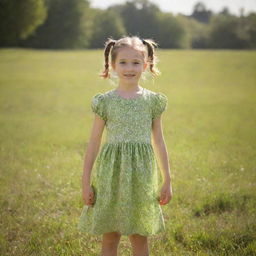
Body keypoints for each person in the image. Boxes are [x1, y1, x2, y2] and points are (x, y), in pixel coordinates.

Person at [77, 36, 173, 256]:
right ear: (112, 65)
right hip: (111, 176)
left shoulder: (152, 101)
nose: (130, 68)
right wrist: (85, 182)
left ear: (146, 65)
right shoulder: (105, 102)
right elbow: (93, 143)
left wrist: (167, 179)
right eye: (123, 62)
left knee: (139, 237)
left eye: (136, 62)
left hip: (141, 177)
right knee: (110, 236)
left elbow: (159, 141)